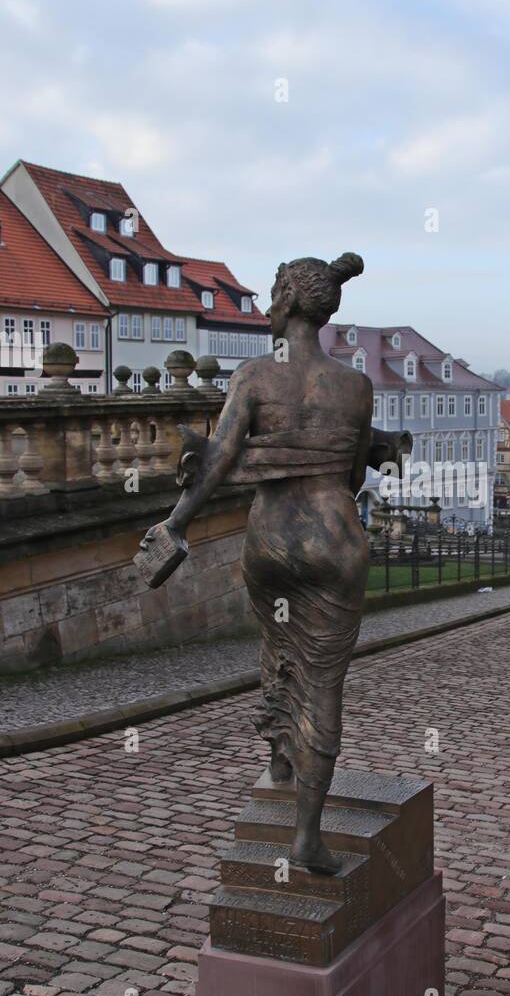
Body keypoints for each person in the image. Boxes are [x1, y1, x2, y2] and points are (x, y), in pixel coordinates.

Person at [139, 251, 372, 875]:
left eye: (273, 295)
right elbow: (350, 475)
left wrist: (174, 525)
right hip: (335, 540)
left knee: (276, 644)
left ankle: (276, 756)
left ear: (292, 301)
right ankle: (306, 836)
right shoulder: (356, 386)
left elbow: (214, 462)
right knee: (325, 679)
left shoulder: (256, 376)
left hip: (272, 540)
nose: (268, 307)